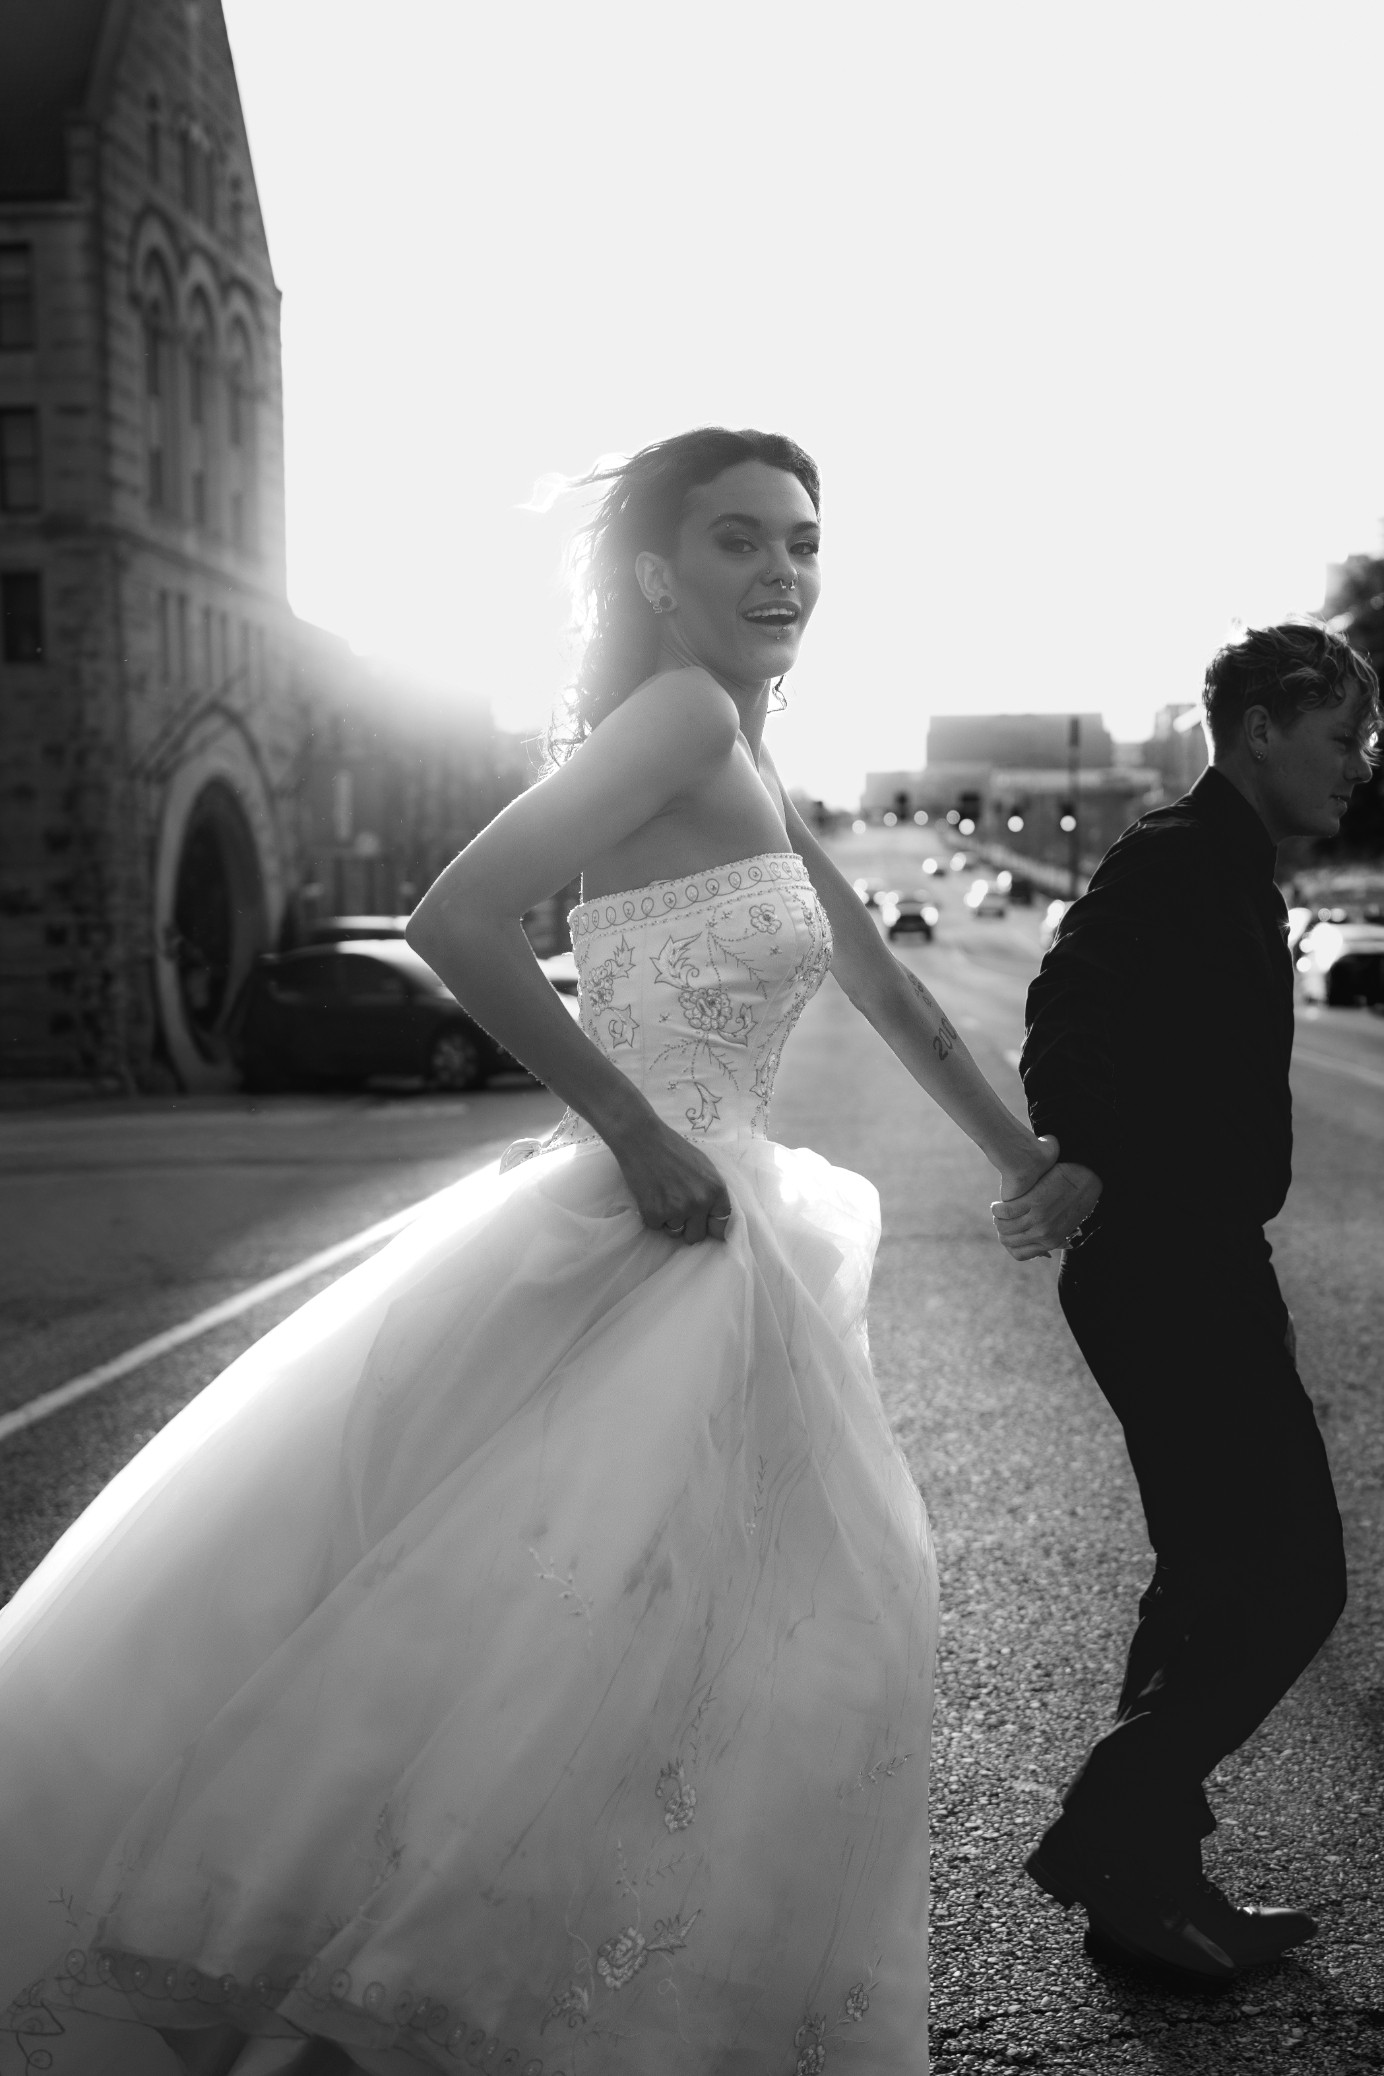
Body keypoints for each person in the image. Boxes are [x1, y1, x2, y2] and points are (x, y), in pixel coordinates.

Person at [0, 427, 1057, 2076]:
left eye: (803, 540)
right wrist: (635, 1130)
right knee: (619, 1636)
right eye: (737, 541)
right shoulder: (685, 714)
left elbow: (890, 991)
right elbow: (453, 919)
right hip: (659, 1216)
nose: (783, 571)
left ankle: (581, 1998)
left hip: (728, 1228)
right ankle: (436, 1998)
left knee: (674, 1648)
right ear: (656, 574)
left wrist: (1030, 1168)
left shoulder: (749, 758)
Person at [994, 621, 1380, 1986]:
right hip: (1166, 1261)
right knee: (1294, 1582)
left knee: (1211, 1581)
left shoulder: (1229, 863)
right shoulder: (1177, 857)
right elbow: (1065, 1006)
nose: (1359, 764)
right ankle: (1110, 1838)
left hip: (1206, 1255)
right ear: (1263, 726)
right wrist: (1088, 1149)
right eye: (1342, 736)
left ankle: (1145, 1892)